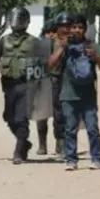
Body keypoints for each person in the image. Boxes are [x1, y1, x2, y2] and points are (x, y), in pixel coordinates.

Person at [49, 13, 100, 171]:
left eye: (80, 27)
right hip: (68, 94)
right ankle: (70, 159)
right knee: (70, 128)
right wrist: (62, 48)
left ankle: (97, 158)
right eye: (74, 27)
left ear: (85, 29)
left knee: (92, 128)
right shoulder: (63, 45)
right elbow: (51, 65)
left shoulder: (92, 45)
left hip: (88, 95)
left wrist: (96, 57)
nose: (77, 30)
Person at [0, 7, 41, 165]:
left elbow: (44, 63)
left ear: (26, 21)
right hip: (9, 85)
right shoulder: (3, 41)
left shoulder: (34, 42)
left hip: (27, 85)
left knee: (21, 118)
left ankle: (18, 152)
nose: (16, 22)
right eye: (14, 19)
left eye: (20, 19)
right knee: (9, 118)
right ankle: (24, 142)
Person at [37, 18, 64, 157]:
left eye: (53, 32)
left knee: (59, 115)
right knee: (41, 116)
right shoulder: (39, 45)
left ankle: (60, 144)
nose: (51, 34)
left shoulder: (60, 44)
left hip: (57, 82)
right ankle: (42, 144)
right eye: (48, 32)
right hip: (42, 82)